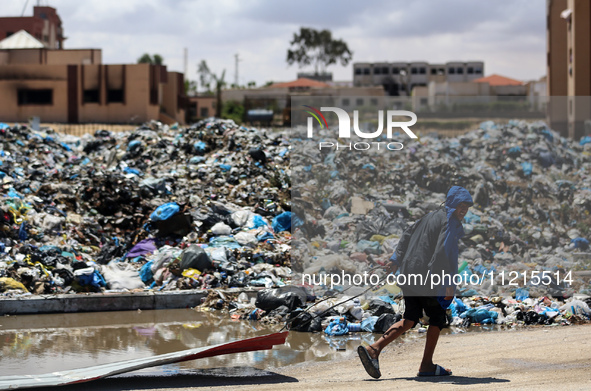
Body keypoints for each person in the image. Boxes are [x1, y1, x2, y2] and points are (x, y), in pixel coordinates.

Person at [358, 186, 473, 379]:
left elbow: (406, 235)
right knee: (437, 318)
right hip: (426, 276)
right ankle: (426, 366)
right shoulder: (448, 221)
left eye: (466, 207)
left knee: (410, 318)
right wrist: (448, 282)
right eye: (461, 206)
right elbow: (442, 252)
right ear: (452, 204)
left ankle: (374, 349)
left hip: (409, 273)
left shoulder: (428, 217)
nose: (463, 211)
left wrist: (396, 260)